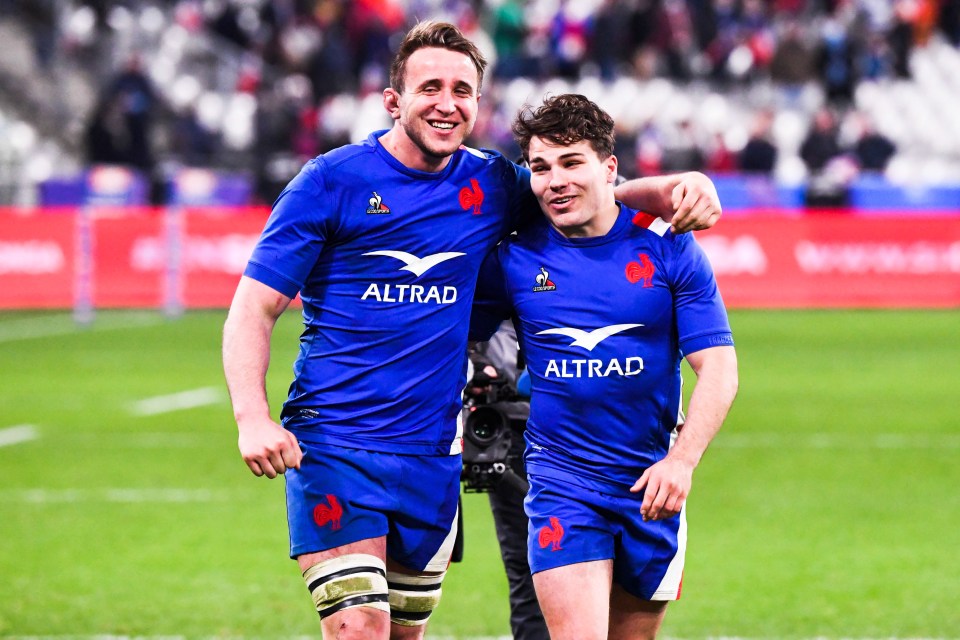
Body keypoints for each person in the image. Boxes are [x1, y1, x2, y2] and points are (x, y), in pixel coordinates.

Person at [222, 21, 723, 640]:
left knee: (403, 634)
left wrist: (678, 187)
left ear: (477, 105)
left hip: (433, 454)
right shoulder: (331, 182)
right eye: (429, 86)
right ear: (393, 100)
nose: (446, 102)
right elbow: (254, 307)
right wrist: (251, 416)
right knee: (360, 628)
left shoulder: (492, 183)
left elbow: (588, 191)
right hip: (336, 443)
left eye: (462, 89)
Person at [470, 94, 739, 640]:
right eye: (541, 168)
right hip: (561, 482)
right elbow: (447, 329)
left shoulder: (670, 249)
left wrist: (682, 462)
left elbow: (720, 369)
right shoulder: (514, 258)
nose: (555, 181)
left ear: (609, 169)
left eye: (572, 163)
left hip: (650, 485)